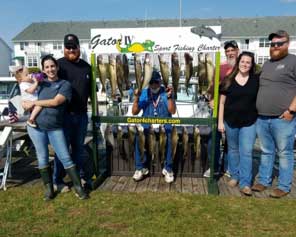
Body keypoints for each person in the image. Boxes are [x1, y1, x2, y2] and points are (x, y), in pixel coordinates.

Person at [22, 55, 88, 200]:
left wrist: (34, 104)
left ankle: (78, 187)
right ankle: (49, 189)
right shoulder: (40, 83)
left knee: (65, 157)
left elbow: (55, 102)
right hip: (36, 127)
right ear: (43, 69)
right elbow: (25, 96)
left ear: (57, 67)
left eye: (52, 66)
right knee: (42, 158)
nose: (50, 69)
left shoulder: (65, 85)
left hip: (55, 128)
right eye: (47, 67)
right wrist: (25, 102)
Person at [252, 30, 296, 198]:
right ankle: (264, 181)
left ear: (287, 44)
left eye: (279, 43)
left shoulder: (293, 61)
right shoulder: (267, 64)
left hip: (283, 119)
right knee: (266, 151)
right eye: (273, 44)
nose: (275, 46)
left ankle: (284, 186)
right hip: (262, 117)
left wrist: (291, 110)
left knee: (284, 153)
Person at [53, 33, 93, 192]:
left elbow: (91, 91)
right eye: (68, 47)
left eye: (74, 47)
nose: (71, 50)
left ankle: (80, 177)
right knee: (61, 150)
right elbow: (44, 80)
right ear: (64, 48)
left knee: (78, 148)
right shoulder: (58, 66)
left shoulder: (86, 67)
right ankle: (58, 180)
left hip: (82, 115)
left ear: (78, 47)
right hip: (63, 116)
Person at [218, 51, 259, 196]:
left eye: (248, 62)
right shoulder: (228, 80)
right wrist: (220, 122)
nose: (245, 64)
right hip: (230, 121)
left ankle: (245, 183)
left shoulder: (256, 80)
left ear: (252, 65)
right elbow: (221, 103)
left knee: (246, 152)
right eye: (243, 61)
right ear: (238, 62)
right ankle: (235, 176)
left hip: (249, 122)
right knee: (233, 150)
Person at [131, 71, 176, 183]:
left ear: (160, 81)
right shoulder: (144, 93)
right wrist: (136, 98)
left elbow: (173, 111)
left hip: (164, 124)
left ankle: (168, 168)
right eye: (151, 82)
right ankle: (140, 168)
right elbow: (134, 112)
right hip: (147, 124)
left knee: (170, 135)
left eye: (156, 82)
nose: (154, 85)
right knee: (139, 137)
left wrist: (170, 97)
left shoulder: (166, 92)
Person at [204, 40, 240, 178]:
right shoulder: (220, 67)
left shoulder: (243, 65)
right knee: (213, 138)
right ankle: (213, 167)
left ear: (237, 50)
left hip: (234, 109)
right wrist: (211, 98)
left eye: (232, 50)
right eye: (227, 51)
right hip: (218, 107)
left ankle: (231, 168)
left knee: (232, 140)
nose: (230, 53)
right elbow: (212, 85)